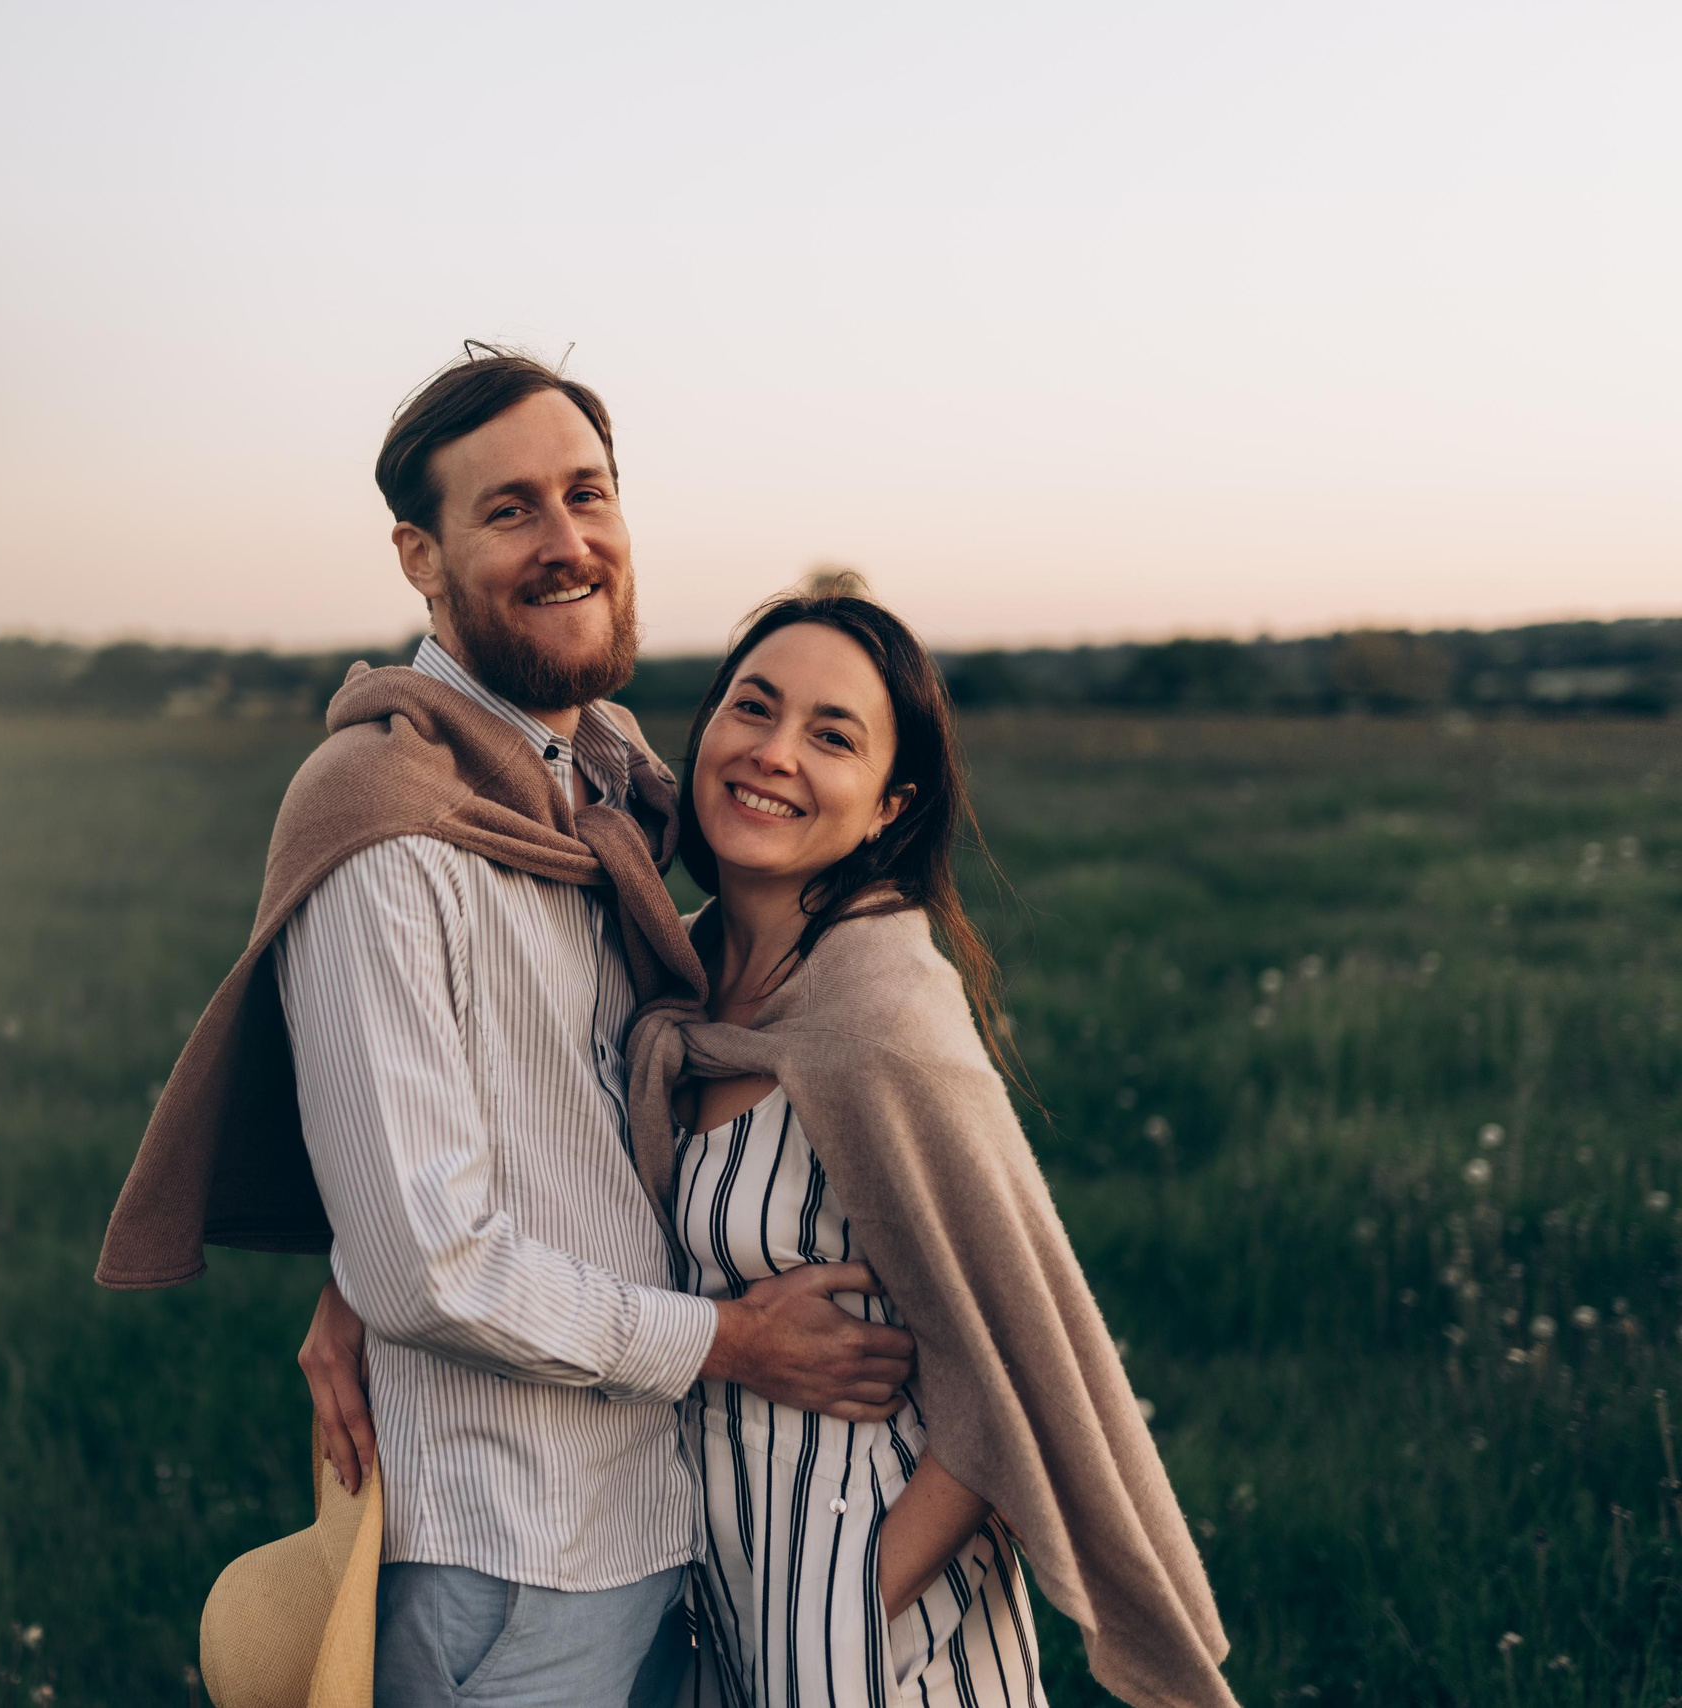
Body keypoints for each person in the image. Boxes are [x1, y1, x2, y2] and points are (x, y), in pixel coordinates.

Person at [97, 347, 918, 1706]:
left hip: (655, 1531)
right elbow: (433, 1262)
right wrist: (728, 1342)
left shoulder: (603, 791)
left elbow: (517, 1155)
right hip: (517, 1564)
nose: (568, 542)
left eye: (587, 494)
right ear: (420, 557)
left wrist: (356, 1275)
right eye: (510, 510)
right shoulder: (392, 831)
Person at [625, 587, 1237, 1706]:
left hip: (877, 1614)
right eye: (750, 709)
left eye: (831, 735)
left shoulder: (885, 1011)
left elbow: (1010, 1368)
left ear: (887, 805)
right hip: (709, 1589)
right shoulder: (669, 985)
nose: (773, 753)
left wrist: (841, 1609)